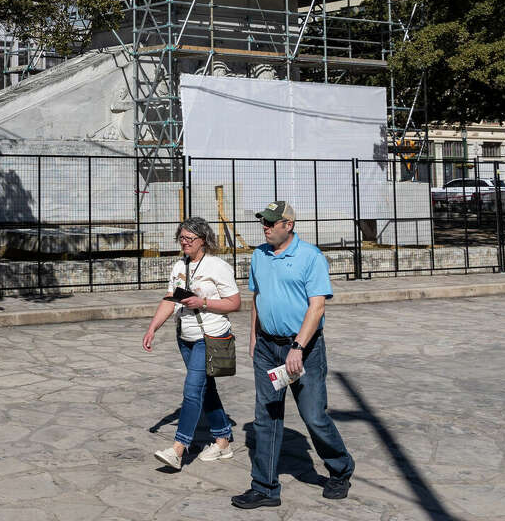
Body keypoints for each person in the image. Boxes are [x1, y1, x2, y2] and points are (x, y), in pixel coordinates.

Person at [231, 200, 355, 510]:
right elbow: (258, 298)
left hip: (304, 349)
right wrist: (253, 337)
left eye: (272, 222)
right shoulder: (259, 256)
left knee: (313, 416)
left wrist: (298, 347)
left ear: (289, 225)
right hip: (267, 348)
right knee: (266, 417)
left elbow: (317, 306)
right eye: (264, 221)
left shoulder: (309, 257)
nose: (266, 227)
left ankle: (340, 470)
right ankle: (265, 488)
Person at [143, 216, 240, 472]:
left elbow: (234, 303)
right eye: (181, 238)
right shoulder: (178, 267)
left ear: (203, 240)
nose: (184, 243)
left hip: (209, 337)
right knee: (205, 388)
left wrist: (203, 303)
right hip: (185, 337)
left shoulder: (217, 267)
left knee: (192, 390)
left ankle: (178, 449)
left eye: (189, 239)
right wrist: (153, 327)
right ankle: (222, 440)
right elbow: (170, 298)